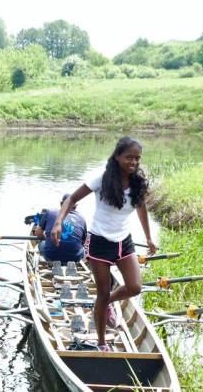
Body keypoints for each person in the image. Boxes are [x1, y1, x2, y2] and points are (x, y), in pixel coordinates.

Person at [51, 136, 157, 352]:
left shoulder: (139, 183)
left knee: (135, 287)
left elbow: (141, 208)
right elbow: (72, 199)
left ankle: (108, 303)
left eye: (137, 158)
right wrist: (58, 222)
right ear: (117, 156)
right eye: (129, 157)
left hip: (124, 242)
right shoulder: (101, 180)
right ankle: (101, 342)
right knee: (101, 293)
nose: (134, 162)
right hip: (99, 242)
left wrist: (148, 237)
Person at [35, 193, 87, 264]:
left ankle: (51, 262)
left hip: (51, 255)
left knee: (41, 243)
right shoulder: (81, 218)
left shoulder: (50, 212)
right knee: (83, 248)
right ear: (75, 206)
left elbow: (38, 233)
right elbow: (83, 241)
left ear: (61, 204)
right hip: (75, 257)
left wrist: (45, 236)